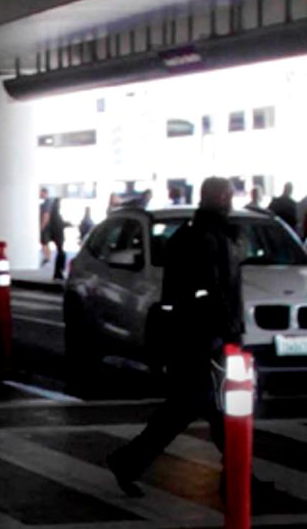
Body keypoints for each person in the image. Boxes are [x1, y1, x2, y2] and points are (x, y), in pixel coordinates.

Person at [106, 176, 242, 497]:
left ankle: (236, 474)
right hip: (201, 338)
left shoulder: (204, 234)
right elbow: (216, 292)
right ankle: (128, 461)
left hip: (197, 336)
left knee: (208, 409)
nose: (229, 199)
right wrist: (229, 331)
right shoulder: (207, 237)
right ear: (218, 198)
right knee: (197, 407)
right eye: (225, 194)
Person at [48, 197, 71, 280]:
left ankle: (58, 272)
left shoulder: (54, 214)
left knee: (61, 253)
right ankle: (58, 272)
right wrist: (66, 224)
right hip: (58, 236)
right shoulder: (55, 214)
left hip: (57, 235)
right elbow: (58, 225)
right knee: (62, 253)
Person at [39, 186, 53, 264]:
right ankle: (48, 257)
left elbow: (46, 215)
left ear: (45, 193)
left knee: (44, 242)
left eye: (41, 193)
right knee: (45, 242)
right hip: (46, 225)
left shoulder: (47, 203)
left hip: (45, 226)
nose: (39, 194)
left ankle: (47, 257)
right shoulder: (47, 202)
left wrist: (42, 226)